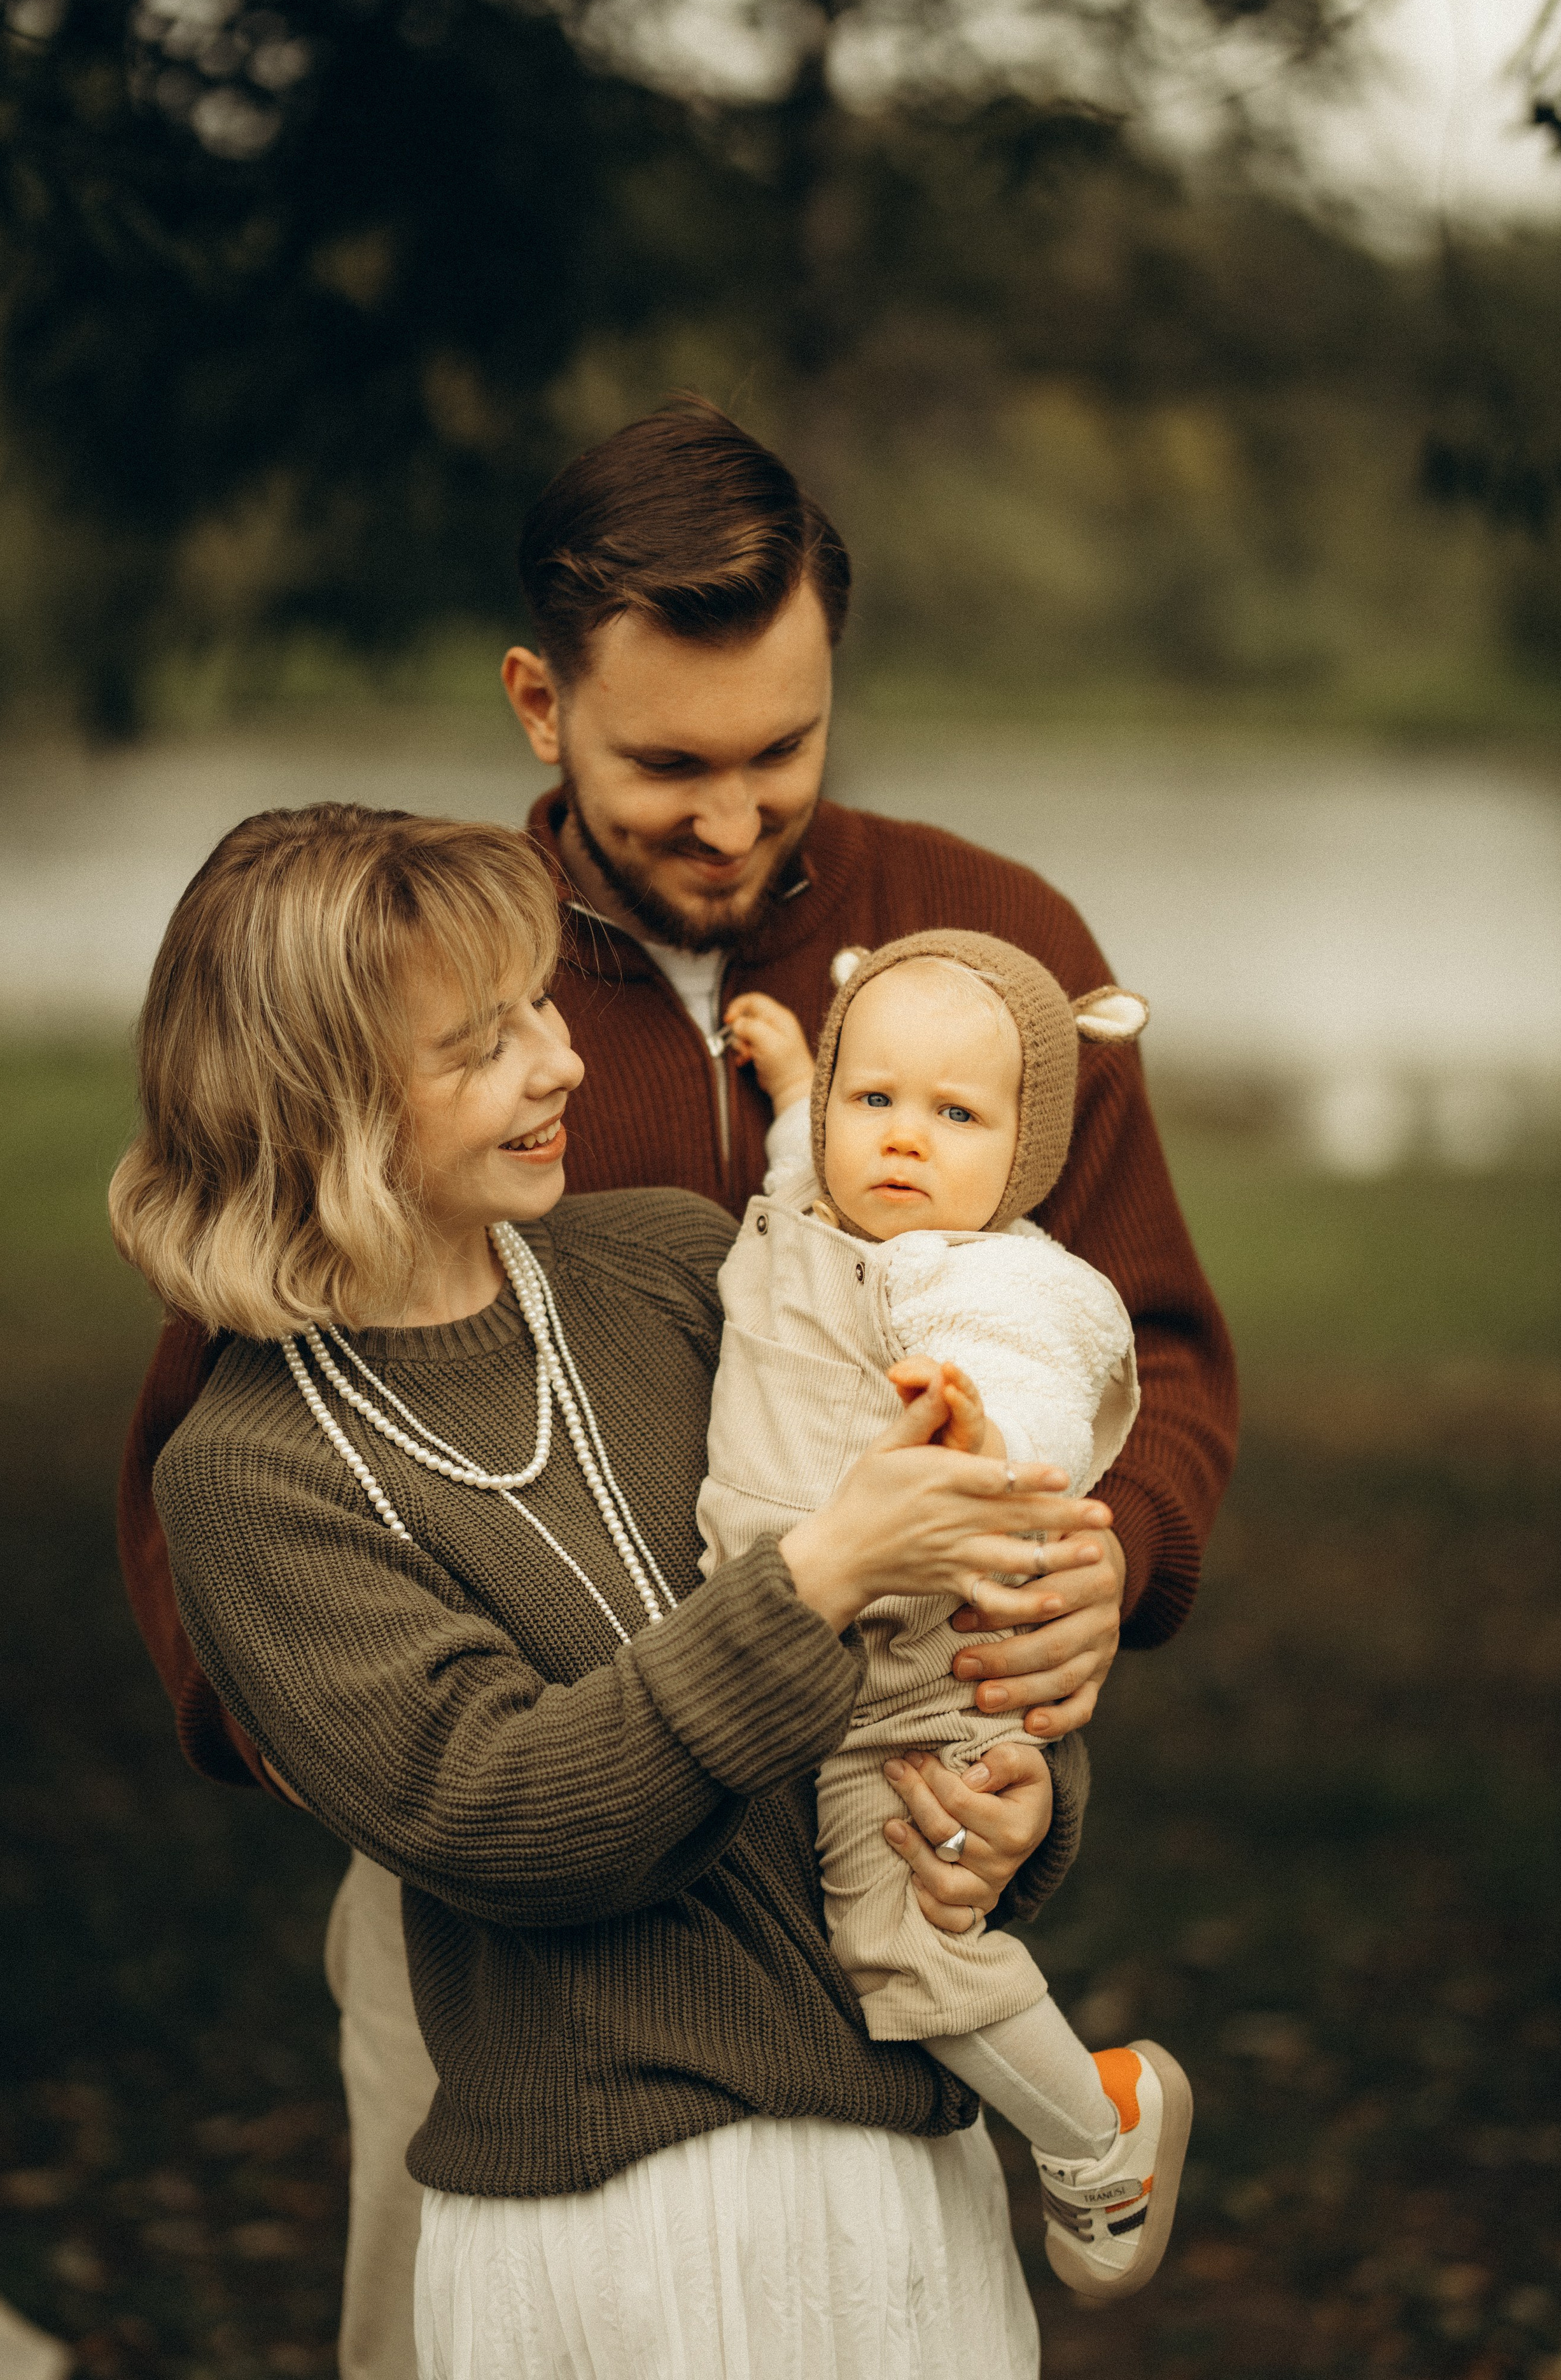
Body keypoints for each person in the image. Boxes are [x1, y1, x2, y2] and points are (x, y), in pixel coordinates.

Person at [114, 398, 1237, 2372]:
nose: (732, 816)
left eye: (783, 752)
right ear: (542, 701)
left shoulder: (991, 963)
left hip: (862, 1805)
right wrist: (352, 1747)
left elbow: (1130, 1338)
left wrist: (1086, 1585)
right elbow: (239, 1425)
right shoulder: (410, 986)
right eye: (670, 765)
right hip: (507, 1928)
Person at [109, 804, 1108, 2380]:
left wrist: (1018, 1795)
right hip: (595, 2241)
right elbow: (501, 1816)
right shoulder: (250, 1479)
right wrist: (816, 1577)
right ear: (324, 1111)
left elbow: (924, 1632)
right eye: (478, 1044)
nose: (562, 1061)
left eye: (537, 1006)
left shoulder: (670, 1266)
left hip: (901, 2182)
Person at [704, 931, 1190, 2301]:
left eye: (956, 1115)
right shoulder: (818, 1201)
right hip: (789, 1642)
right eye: (877, 1100)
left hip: (908, 1686)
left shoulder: (981, 1276)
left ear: (1026, 1148)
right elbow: (810, 1145)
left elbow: (1040, 1376)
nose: (902, 1144)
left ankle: (1100, 2133)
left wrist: (976, 1428)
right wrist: (805, 1073)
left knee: (900, 1945)